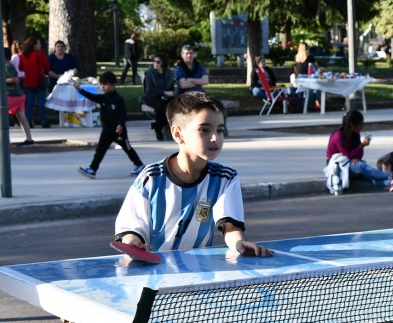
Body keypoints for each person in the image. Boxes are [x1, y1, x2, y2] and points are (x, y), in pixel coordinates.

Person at [113, 91, 273, 256]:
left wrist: (239, 242)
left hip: (199, 274)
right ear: (178, 134)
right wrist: (132, 241)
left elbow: (231, 227)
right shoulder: (151, 177)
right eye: (204, 130)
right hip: (153, 275)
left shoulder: (226, 178)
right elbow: (130, 228)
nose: (214, 138)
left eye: (220, 130)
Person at [74, 72, 145, 179]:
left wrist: (120, 124)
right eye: (101, 84)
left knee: (127, 148)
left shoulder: (118, 99)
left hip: (118, 131)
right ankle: (92, 169)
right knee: (100, 150)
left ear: (113, 85)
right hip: (107, 131)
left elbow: (123, 114)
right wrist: (80, 90)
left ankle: (140, 165)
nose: (102, 87)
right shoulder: (103, 98)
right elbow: (92, 97)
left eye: (105, 84)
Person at [326, 110, 393, 193]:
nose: (362, 127)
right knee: (361, 166)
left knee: (366, 175)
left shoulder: (355, 134)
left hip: (348, 163)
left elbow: (359, 154)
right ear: (351, 125)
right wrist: (362, 145)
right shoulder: (339, 136)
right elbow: (347, 155)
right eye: (360, 124)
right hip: (337, 166)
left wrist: (357, 155)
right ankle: (392, 175)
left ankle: (390, 183)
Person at [18, 36, 51, 128]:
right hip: (39, 81)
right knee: (41, 102)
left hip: (28, 81)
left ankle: (28, 122)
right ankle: (43, 121)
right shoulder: (40, 54)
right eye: (39, 43)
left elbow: (21, 67)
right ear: (34, 45)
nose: (40, 45)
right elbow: (47, 66)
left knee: (29, 103)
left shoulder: (23, 55)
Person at [4, 48, 34, 146]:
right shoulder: (7, 66)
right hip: (19, 95)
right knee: (22, 117)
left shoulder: (7, 66)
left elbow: (15, 79)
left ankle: (4, 141)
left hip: (11, 96)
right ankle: (29, 139)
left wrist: (3, 81)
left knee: (2, 117)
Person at [143, 53, 175, 141]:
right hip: (151, 96)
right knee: (160, 107)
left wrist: (167, 95)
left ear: (163, 63)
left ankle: (157, 125)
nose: (155, 64)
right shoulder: (150, 73)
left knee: (172, 107)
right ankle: (158, 129)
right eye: (154, 61)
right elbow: (150, 90)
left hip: (165, 96)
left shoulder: (169, 74)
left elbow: (171, 89)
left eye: (158, 62)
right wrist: (164, 93)